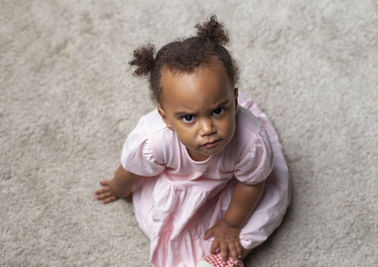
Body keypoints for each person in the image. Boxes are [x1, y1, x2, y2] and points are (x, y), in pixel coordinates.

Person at [94, 15, 290, 267]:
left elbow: (251, 185)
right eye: (188, 117)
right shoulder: (154, 139)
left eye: (219, 110)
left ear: (235, 100)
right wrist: (118, 188)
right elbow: (132, 170)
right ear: (165, 118)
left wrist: (231, 223)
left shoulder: (250, 142)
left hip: (231, 191)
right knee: (159, 219)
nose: (208, 129)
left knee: (269, 206)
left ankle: (223, 257)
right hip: (178, 186)